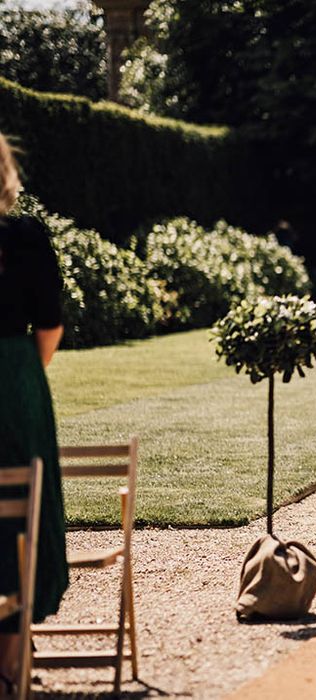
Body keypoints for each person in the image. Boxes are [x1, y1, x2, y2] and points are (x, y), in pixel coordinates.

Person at [0, 132, 68, 692]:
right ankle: (11, 660)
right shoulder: (22, 236)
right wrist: (22, 373)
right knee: (20, 507)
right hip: (15, 378)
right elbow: (49, 323)